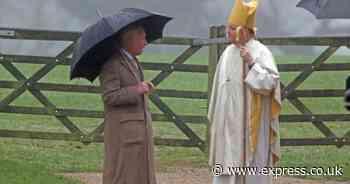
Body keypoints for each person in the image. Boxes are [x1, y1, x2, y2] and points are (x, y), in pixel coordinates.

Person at [208, 0, 281, 183]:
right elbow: (219, 90)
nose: (228, 32)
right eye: (228, 28)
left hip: (251, 126)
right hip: (228, 126)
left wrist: (251, 63)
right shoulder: (226, 54)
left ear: (245, 30)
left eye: (233, 28)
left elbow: (271, 84)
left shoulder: (261, 52)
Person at [99, 23, 156, 184]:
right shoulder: (112, 64)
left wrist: (143, 87)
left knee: (140, 175)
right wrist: (137, 89)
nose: (146, 43)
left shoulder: (133, 61)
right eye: (143, 38)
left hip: (138, 131)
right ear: (130, 40)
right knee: (123, 175)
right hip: (124, 135)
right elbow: (110, 96)